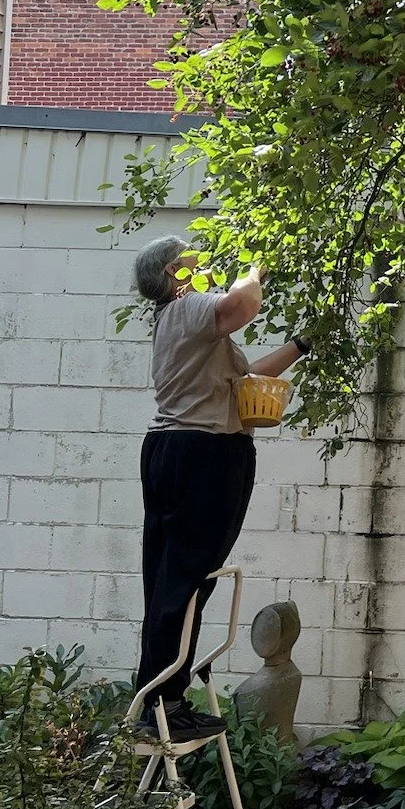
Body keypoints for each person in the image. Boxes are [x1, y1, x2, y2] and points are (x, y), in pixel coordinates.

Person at [128, 236, 308, 741]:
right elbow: (243, 303)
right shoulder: (186, 306)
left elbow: (246, 378)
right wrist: (257, 262)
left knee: (173, 578)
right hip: (204, 454)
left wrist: (302, 344)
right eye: (189, 255)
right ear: (173, 272)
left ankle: (160, 696)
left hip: (176, 449)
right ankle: (161, 704)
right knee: (187, 580)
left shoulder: (182, 324)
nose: (199, 258)